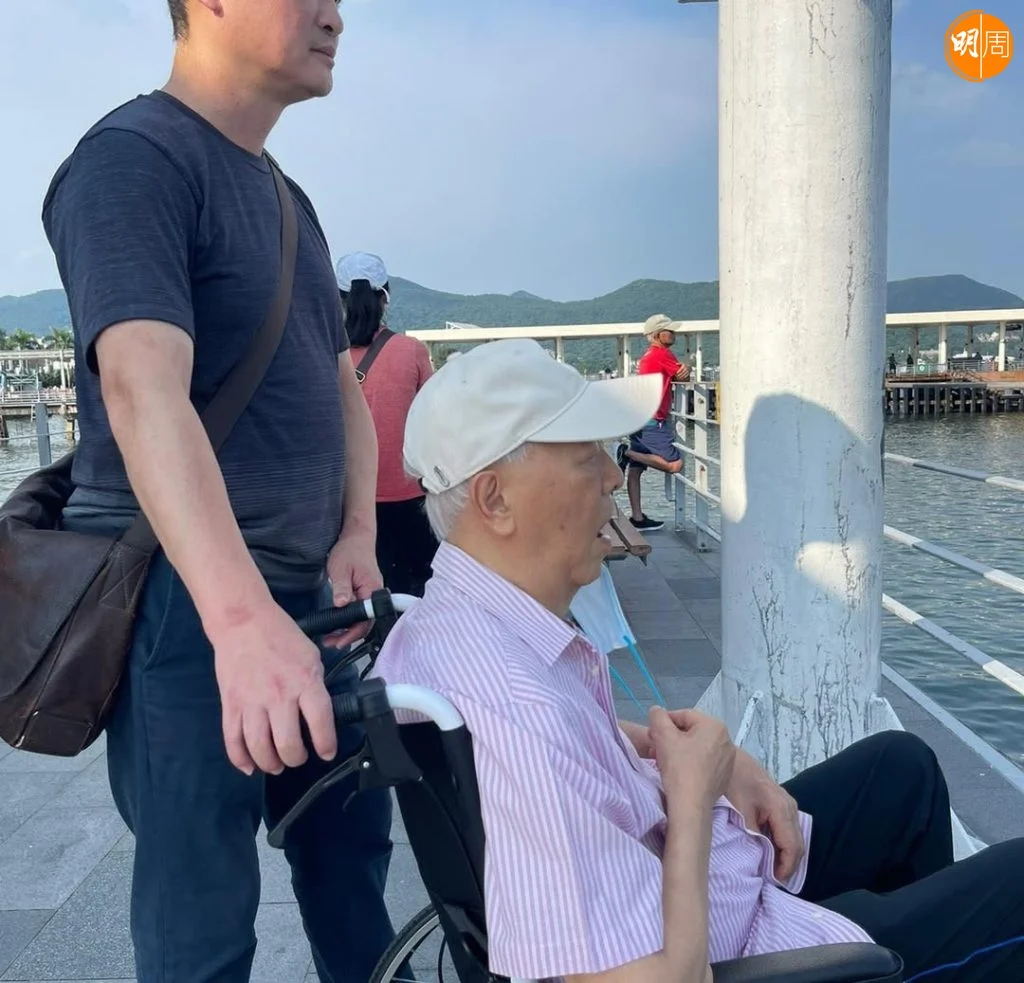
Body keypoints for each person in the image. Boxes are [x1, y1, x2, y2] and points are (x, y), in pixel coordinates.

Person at [371, 337, 1024, 983]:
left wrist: (722, 763)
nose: (612, 476)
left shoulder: (448, 625)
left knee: (901, 769)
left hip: (717, 884)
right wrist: (693, 796)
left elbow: (558, 749)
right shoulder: (518, 704)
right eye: (584, 455)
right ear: (495, 500)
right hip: (735, 945)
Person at [41, 2, 401, 981]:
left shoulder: (287, 196)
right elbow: (141, 387)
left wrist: (357, 530)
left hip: (313, 594)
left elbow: (338, 385)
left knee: (352, 868)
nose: (336, 15)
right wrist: (239, 621)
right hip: (187, 599)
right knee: (200, 918)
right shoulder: (132, 159)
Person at [336, 250, 438, 596]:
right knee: (419, 595)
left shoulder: (324, 355)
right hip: (410, 497)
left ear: (340, 300)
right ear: (385, 298)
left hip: (348, 504)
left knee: (364, 596)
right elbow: (433, 420)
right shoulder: (412, 350)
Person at [618, 314, 691, 532]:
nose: (674, 334)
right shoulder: (661, 354)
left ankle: (638, 518)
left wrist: (683, 369)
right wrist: (686, 368)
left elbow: (676, 375)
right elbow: (682, 376)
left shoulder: (649, 355)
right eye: (670, 331)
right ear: (659, 335)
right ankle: (625, 452)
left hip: (639, 416)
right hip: (653, 418)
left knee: (636, 471)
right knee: (674, 465)